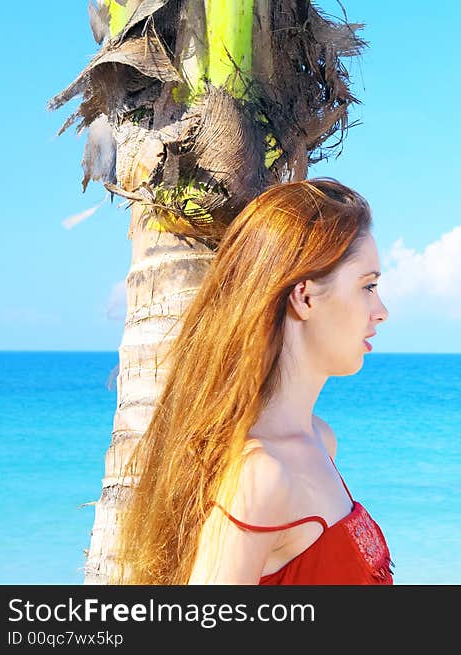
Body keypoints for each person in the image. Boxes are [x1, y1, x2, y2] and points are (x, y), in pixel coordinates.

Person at [111, 178, 393, 585]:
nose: (381, 310)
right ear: (305, 297)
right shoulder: (259, 475)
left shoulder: (319, 440)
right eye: (367, 286)